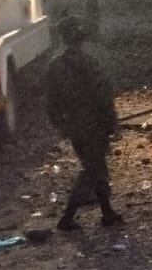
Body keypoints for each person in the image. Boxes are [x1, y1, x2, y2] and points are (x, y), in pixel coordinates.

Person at [45, 17, 121, 230]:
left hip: (74, 125)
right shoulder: (90, 62)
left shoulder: (55, 66)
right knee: (93, 169)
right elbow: (103, 95)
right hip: (94, 124)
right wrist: (112, 122)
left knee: (96, 167)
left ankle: (107, 211)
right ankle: (68, 217)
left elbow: (50, 101)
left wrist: (61, 125)